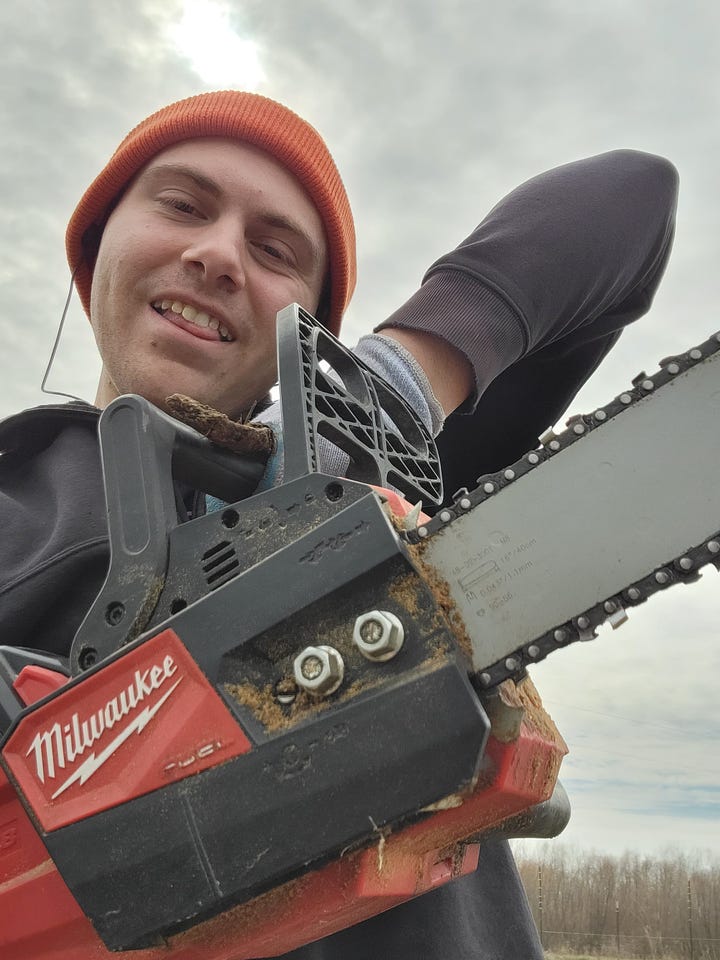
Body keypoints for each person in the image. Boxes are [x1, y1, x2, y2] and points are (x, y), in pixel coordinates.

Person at [0, 90, 678, 959]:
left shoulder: (364, 500)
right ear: (95, 244)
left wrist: (394, 387)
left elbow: (632, 201)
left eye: (275, 249)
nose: (216, 256)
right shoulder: (19, 494)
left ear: (312, 320)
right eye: (182, 205)